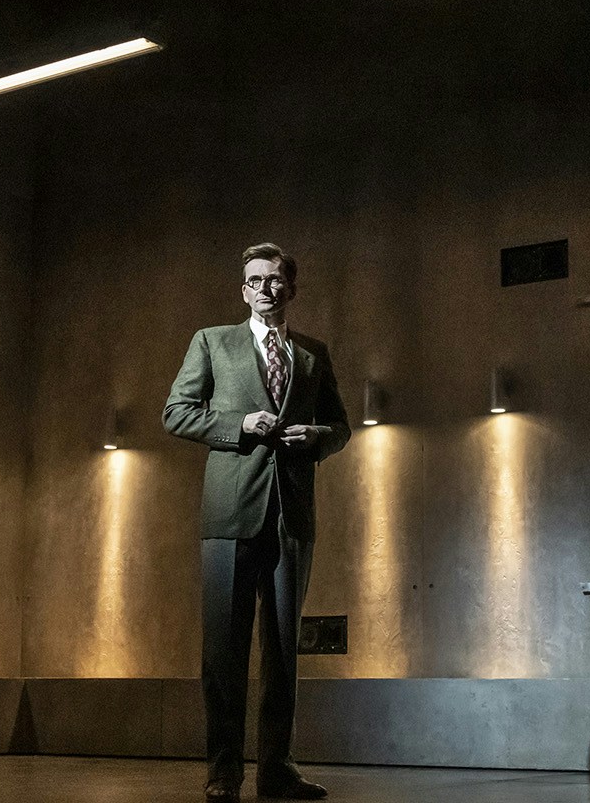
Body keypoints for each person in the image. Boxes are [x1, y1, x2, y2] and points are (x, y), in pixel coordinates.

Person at [165, 242, 351, 803]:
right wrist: (240, 424)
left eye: (273, 279)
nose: (264, 288)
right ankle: (224, 771)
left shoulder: (313, 353)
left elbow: (340, 426)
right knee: (223, 651)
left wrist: (317, 436)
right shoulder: (211, 342)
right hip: (230, 515)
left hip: (292, 516)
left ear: (291, 287)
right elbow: (176, 412)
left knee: (283, 651)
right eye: (253, 280)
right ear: (243, 290)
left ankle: (276, 770)